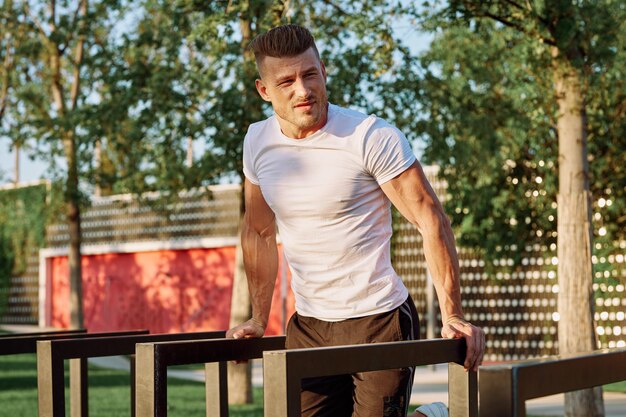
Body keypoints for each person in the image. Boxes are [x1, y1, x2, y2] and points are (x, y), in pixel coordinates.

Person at [226, 24, 485, 417]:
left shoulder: (369, 136)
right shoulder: (256, 142)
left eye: (310, 74)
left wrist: (452, 314)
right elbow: (259, 231)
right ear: (264, 90)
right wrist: (259, 318)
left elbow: (430, 219)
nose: (303, 90)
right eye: (287, 81)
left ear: (324, 71)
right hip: (310, 327)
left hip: (378, 319)